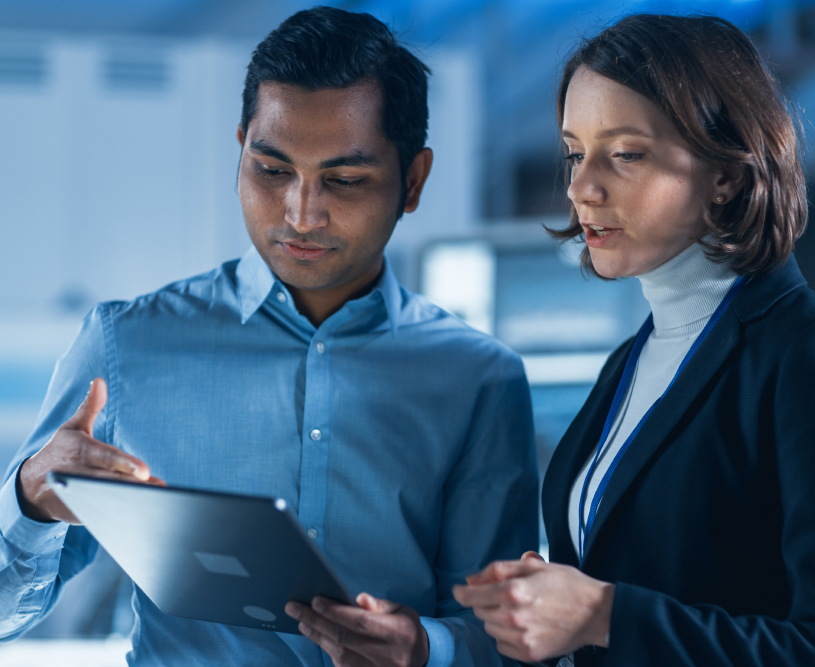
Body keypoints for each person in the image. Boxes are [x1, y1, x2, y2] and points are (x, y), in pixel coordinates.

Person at [0, 7, 539, 666]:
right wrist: (29, 498)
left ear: (414, 181)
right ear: (240, 149)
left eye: (343, 180)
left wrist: (429, 648)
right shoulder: (123, 346)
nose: (300, 213)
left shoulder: (477, 378)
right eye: (271, 169)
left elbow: (507, 638)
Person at [453, 13, 815, 666]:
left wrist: (600, 613)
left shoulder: (796, 352)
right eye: (573, 151)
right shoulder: (631, 360)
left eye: (624, 154)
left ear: (726, 174)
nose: (580, 187)